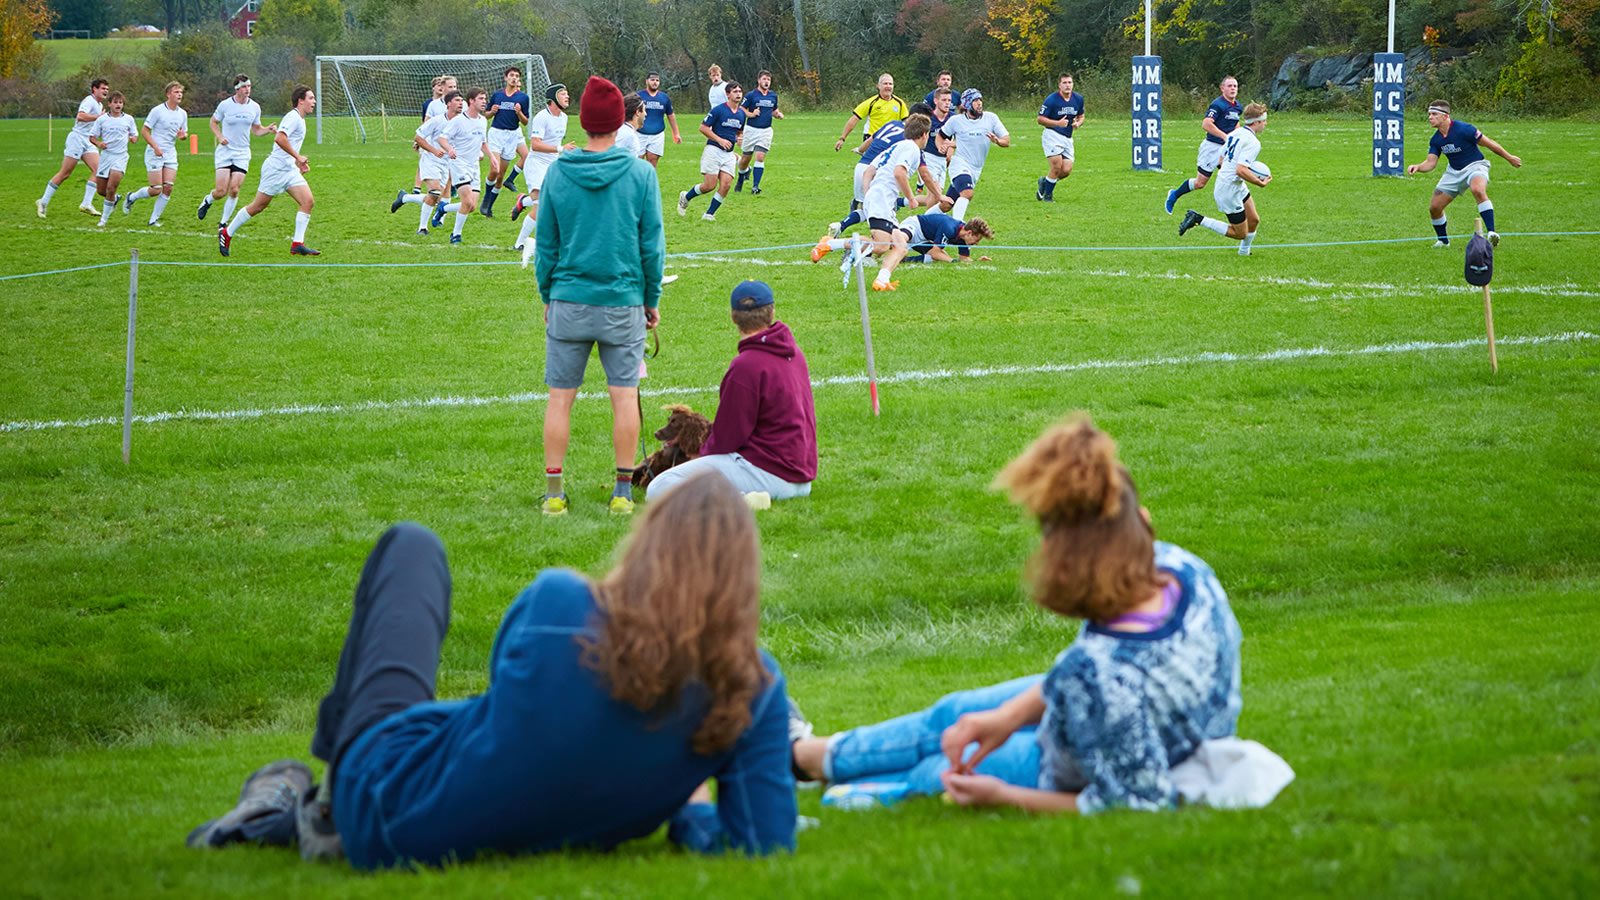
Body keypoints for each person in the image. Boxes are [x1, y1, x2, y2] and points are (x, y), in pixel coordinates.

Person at [186, 471, 798, 867]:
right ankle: (311, 801)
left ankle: (320, 801)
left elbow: (515, 704)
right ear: (745, 579)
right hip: (460, 779)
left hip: (391, 802)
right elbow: (763, 843)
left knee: (411, 546)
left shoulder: (564, 603)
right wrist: (685, 806)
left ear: (646, 545)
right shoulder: (753, 691)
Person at [789, 416, 1244, 814]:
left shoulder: (1101, 673)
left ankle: (859, 785)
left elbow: (1137, 804)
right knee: (957, 715)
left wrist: (1001, 797)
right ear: (1139, 520)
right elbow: (1092, 684)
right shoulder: (1183, 569)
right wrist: (1005, 718)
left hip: (1069, 766)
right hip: (1150, 725)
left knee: (937, 769)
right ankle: (802, 757)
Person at [536, 76, 666, 517]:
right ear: (618, 123)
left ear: (584, 121)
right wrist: (651, 300)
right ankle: (622, 494)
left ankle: (554, 493)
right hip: (622, 301)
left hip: (569, 299)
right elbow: (652, 246)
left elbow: (546, 246)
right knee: (624, 397)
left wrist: (547, 297)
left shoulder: (557, 172)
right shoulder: (641, 174)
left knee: (560, 397)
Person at [645, 281, 816, 503]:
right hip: (801, 476)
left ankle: (743, 500)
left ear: (733, 317)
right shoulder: (794, 353)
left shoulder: (745, 365)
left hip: (769, 473)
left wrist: (701, 454)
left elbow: (730, 435)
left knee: (660, 487)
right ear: (772, 312)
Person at [219, 85, 320, 257]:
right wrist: (298, 155)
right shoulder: (293, 117)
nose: (314, 102)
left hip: (289, 170)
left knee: (307, 201)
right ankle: (227, 233)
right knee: (258, 206)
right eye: (311, 98)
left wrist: (297, 161)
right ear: (300, 101)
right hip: (275, 170)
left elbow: (287, 143)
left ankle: (297, 244)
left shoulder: (300, 120)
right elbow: (279, 137)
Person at [1406, 99, 1522, 248]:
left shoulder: (1464, 129)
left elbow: (1489, 143)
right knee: (1434, 208)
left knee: (1477, 189)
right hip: (1454, 171)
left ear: (1446, 116)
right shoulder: (1436, 139)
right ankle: (1443, 241)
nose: (1430, 117)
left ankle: (1492, 233)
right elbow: (1431, 163)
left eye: (1434, 114)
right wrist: (1418, 167)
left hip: (1476, 166)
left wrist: (1509, 157)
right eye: (1429, 114)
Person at [1178, 102, 1269, 255]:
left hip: (1234, 184)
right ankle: (1198, 218)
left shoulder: (1235, 133)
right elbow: (1241, 170)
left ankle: (1244, 252)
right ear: (1256, 122)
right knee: (1240, 233)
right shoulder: (1253, 142)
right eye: (1264, 121)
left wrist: (1229, 172)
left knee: (1254, 220)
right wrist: (1260, 182)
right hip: (1228, 190)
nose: (1265, 124)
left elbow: (1221, 157)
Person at [199, 75, 276, 224]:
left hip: (242, 153)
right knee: (221, 191)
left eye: (249, 86)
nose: (247, 89)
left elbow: (256, 130)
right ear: (236, 89)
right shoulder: (225, 105)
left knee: (234, 189)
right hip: (225, 151)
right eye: (244, 87)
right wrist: (220, 137)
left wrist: (267, 129)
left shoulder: (254, 107)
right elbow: (213, 123)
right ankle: (207, 201)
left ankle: (223, 224)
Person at [511, 83, 578, 253]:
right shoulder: (542, 117)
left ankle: (523, 201)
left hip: (552, 165)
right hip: (536, 164)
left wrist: (562, 152)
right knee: (540, 206)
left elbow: (554, 143)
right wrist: (561, 149)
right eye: (563, 94)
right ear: (554, 98)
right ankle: (519, 244)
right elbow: (535, 145)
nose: (567, 97)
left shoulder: (564, 117)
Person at [1165, 75, 1241, 215]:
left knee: (1234, 175)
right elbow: (1206, 124)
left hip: (1225, 149)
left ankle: (1237, 209)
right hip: (1211, 148)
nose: (1233, 88)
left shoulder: (1238, 107)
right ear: (1222, 88)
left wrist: (1238, 137)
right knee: (1200, 183)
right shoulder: (1217, 105)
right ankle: (1174, 194)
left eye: (1235, 86)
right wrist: (1225, 136)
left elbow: (1235, 123)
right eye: (1229, 86)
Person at [822, 117, 908, 238]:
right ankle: (860, 247)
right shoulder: (909, 137)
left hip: (861, 166)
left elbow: (871, 140)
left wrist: (859, 149)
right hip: (874, 171)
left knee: (869, 211)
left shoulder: (892, 124)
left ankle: (840, 226)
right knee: (882, 213)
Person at [427, 87, 491, 245]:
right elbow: (442, 139)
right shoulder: (458, 121)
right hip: (459, 165)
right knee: (467, 202)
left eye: (485, 99)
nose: (484, 102)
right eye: (481, 99)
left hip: (474, 166)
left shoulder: (483, 121)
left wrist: (492, 159)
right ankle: (456, 235)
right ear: (471, 101)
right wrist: (450, 149)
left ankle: (443, 209)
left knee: (471, 206)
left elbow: (483, 143)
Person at [37, 77, 108, 218]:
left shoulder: (100, 106)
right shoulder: (89, 100)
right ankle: (43, 202)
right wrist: (98, 117)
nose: (106, 91)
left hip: (88, 141)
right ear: (95, 89)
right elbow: (80, 116)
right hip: (76, 139)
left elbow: (95, 123)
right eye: (103, 88)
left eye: (107, 89)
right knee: (65, 173)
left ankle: (86, 204)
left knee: (99, 170)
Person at [676, 81, 746, 222]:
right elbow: (703, 128)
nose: (738, 94)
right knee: (709, 185)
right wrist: (719, 140)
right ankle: (686, 197)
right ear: (727, 94)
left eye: (740, 91)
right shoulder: (718, 110)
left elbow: (739, 131)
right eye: (735, 91)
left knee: (726, 185)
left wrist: (739, 138)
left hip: (728, 154)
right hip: (713, 150)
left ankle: (709, 214)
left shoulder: (741, 114)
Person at [864, 213, 994, 289]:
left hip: (924, 238)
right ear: (970, 233)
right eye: (977, 239)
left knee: (938, 258)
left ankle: (903, 260)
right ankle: (864, 248)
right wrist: (953, 261)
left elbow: (963, 259)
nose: (977, 243)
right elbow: (935, 252)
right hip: (915, 225)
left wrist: (976, 261)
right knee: (897, 242)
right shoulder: (949, 228)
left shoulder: (963, 237)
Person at [938, 88, 1010, 221]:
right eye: (975, 100)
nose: (979, 103)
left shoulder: (991, 118)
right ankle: (957, 228)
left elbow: (1007, 140)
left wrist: (997, 141)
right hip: (959, 164)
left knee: (947, 204)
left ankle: (921, 221)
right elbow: (941, 136)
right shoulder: (956, 120)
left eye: (980, 100)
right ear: (966, 104)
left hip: (976, 169)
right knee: (967, 193)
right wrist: (942, 149)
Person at [123, 81, 187, 227]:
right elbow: (144, 131)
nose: (179, 95)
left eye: (181, 92)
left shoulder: (183, 114)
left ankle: (153, 220)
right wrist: (155, 147)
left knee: (168, 187)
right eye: (176, 92)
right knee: (155, 189)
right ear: (168, 94)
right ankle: (131, 197)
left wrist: (183, 136)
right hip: (154, 152)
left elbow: (183, 133)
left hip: (170, 153)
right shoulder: (157, 111)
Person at [403, 90, 460, 235]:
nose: (461, 104)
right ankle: (422, 228)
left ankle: (405, 198)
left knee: (437, 196)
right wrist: (434, 150)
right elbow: (418, 137)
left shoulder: (461, 122)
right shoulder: (437, 120)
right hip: (431, 160)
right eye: (457, 101)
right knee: (434, 192)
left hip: (447, 163)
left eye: (462, 101)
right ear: (448, 104)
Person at [481, 66, 532, 217]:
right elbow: (487, 116)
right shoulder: (497, 95)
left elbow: (525, 122)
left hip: (512, 136)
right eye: (511, 75)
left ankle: (489, 206)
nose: (514, 78)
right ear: (506, 78)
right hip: (496, 133)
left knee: (500, 177)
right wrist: (492, 112)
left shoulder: (523, 98)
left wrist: (519, 112)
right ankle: (485, 199)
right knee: (494, 169)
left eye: (516, 76)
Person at [90, 91, 138, 228]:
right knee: (101, 190)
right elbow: (92, 136)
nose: (118, 105)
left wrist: (133, 138)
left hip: (121, 156)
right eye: (115, 102)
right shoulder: (102, 119)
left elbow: (135, 135)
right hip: (106, 157)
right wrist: (99, 144)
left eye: (120, 103)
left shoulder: (128, 119)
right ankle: (115, 198)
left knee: (111, 187)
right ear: (110, 104)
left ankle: (103, 220)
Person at [1035, 73, 1084, 202]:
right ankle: (1048, 197)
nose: (1067, 85)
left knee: (1066, 170)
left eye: (1069, 82)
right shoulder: (1051, 100)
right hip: (1052, 135)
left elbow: (1081, 115)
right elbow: (1040, 119)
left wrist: (1077, 124)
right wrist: (1058, 123)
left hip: (1067, 138)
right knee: (1056, 167)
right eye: (1064, 83)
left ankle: (1045, 182)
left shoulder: (1078, 99)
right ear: (1059, 85)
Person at [735, 70, 783, 194]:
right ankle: (741, 177)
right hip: (751, 130)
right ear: (759, 80)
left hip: (766, 130)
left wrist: (777, 114)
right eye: (764, 79)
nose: (766, 81)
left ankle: (755, 187)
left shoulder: (773, 96)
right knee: (745, 159)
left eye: (768, 79)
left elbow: (773, 110)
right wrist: (751, 114)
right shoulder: (751, 95)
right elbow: (741, 109)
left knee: (760, 157)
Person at [834, 74, 909, 151]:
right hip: (872, 139)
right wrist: (842, 138)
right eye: (885, 83)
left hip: (891, 139)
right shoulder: (871, 103)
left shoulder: (899, 103)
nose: (888, 86)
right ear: (879, 86)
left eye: (890, 84)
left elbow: (906, 122)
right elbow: (854, 119)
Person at [636, 72, 681, 167]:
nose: (655, 82)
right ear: (647, 81)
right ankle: (635, 182)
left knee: (652, 163)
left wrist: (676, 134)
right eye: (652, 80)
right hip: (640, 134)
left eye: (657, 80)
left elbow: (671, 115)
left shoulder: (664, 98)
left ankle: (650, 182)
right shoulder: (638, 96)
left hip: (657, 135)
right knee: (636, 162)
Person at [920, 91, 955, 194]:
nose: (947, 103)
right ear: (935, 101)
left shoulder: (953, 118)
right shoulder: (928, 119)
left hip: (943, 161)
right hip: (929, 157)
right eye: (944, 100)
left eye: (949, 100)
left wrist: (951, 147)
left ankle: (901, 201)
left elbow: (962, 138)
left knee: (935, 198)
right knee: (937, 195)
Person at [616, 93, 646, 158]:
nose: (645, 114)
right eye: (644, 111)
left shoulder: (624, 131)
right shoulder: (627, 135)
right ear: (638, 112)